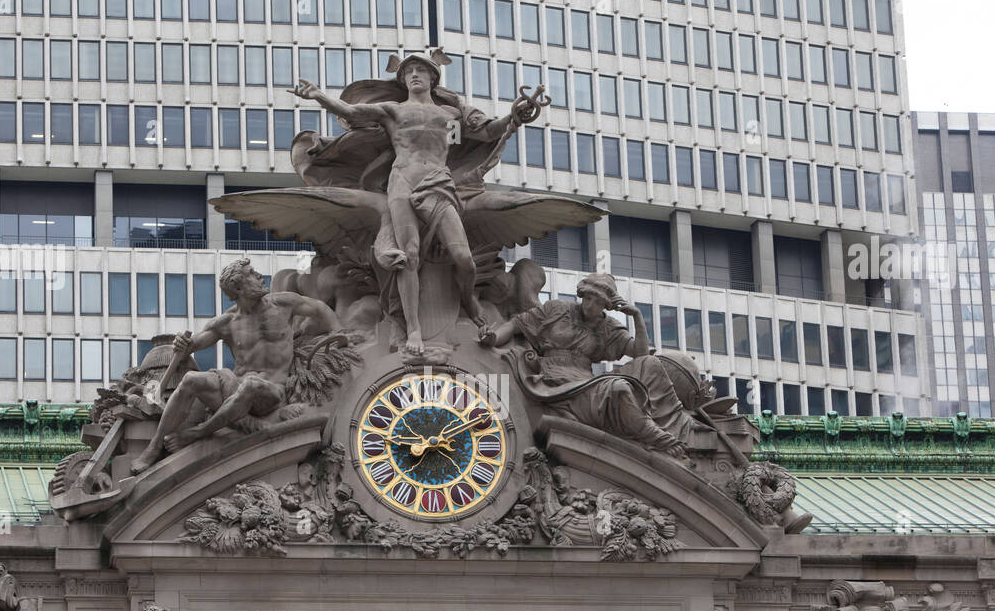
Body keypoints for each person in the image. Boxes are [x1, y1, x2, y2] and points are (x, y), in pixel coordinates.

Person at [290, 50, 539, 355]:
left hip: (438, 183)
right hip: (402, 182)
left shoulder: (451, 115)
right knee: (408, 255)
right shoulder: (393, 111)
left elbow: (487, 132)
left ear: (433, 78)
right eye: (409, 72)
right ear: (404, 79)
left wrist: (513, 117)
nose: (414, 75)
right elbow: (353, 114)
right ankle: (413, 329)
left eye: (421, 70)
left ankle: (469, 300)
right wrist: (319, 96)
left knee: (464, 259)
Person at [129, 259, 338, 474]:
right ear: (238, 288)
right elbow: (194, 345)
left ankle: (198, 433)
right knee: (192, 379)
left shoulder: (284, 304)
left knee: (250, 384)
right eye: (252, 274)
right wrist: (183, 343)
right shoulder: (227, 322)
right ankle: (153, 447)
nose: (259, 276)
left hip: (271, 392)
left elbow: (320, 309)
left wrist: (339, 332)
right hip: (235, 387)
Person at [478, 273, 691, 456]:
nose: (591, 305)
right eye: (588, 298)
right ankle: (652, 434)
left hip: (585, 380)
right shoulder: (557, 309)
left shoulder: (608, 327)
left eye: (598, 302)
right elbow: (516, 325)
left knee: (635, 375)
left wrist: (636, 316)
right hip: (553, 377)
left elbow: (640, 354)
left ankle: (661, 427)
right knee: (619, 388)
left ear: (607, 305)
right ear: (582, 295)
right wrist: (493, 337)